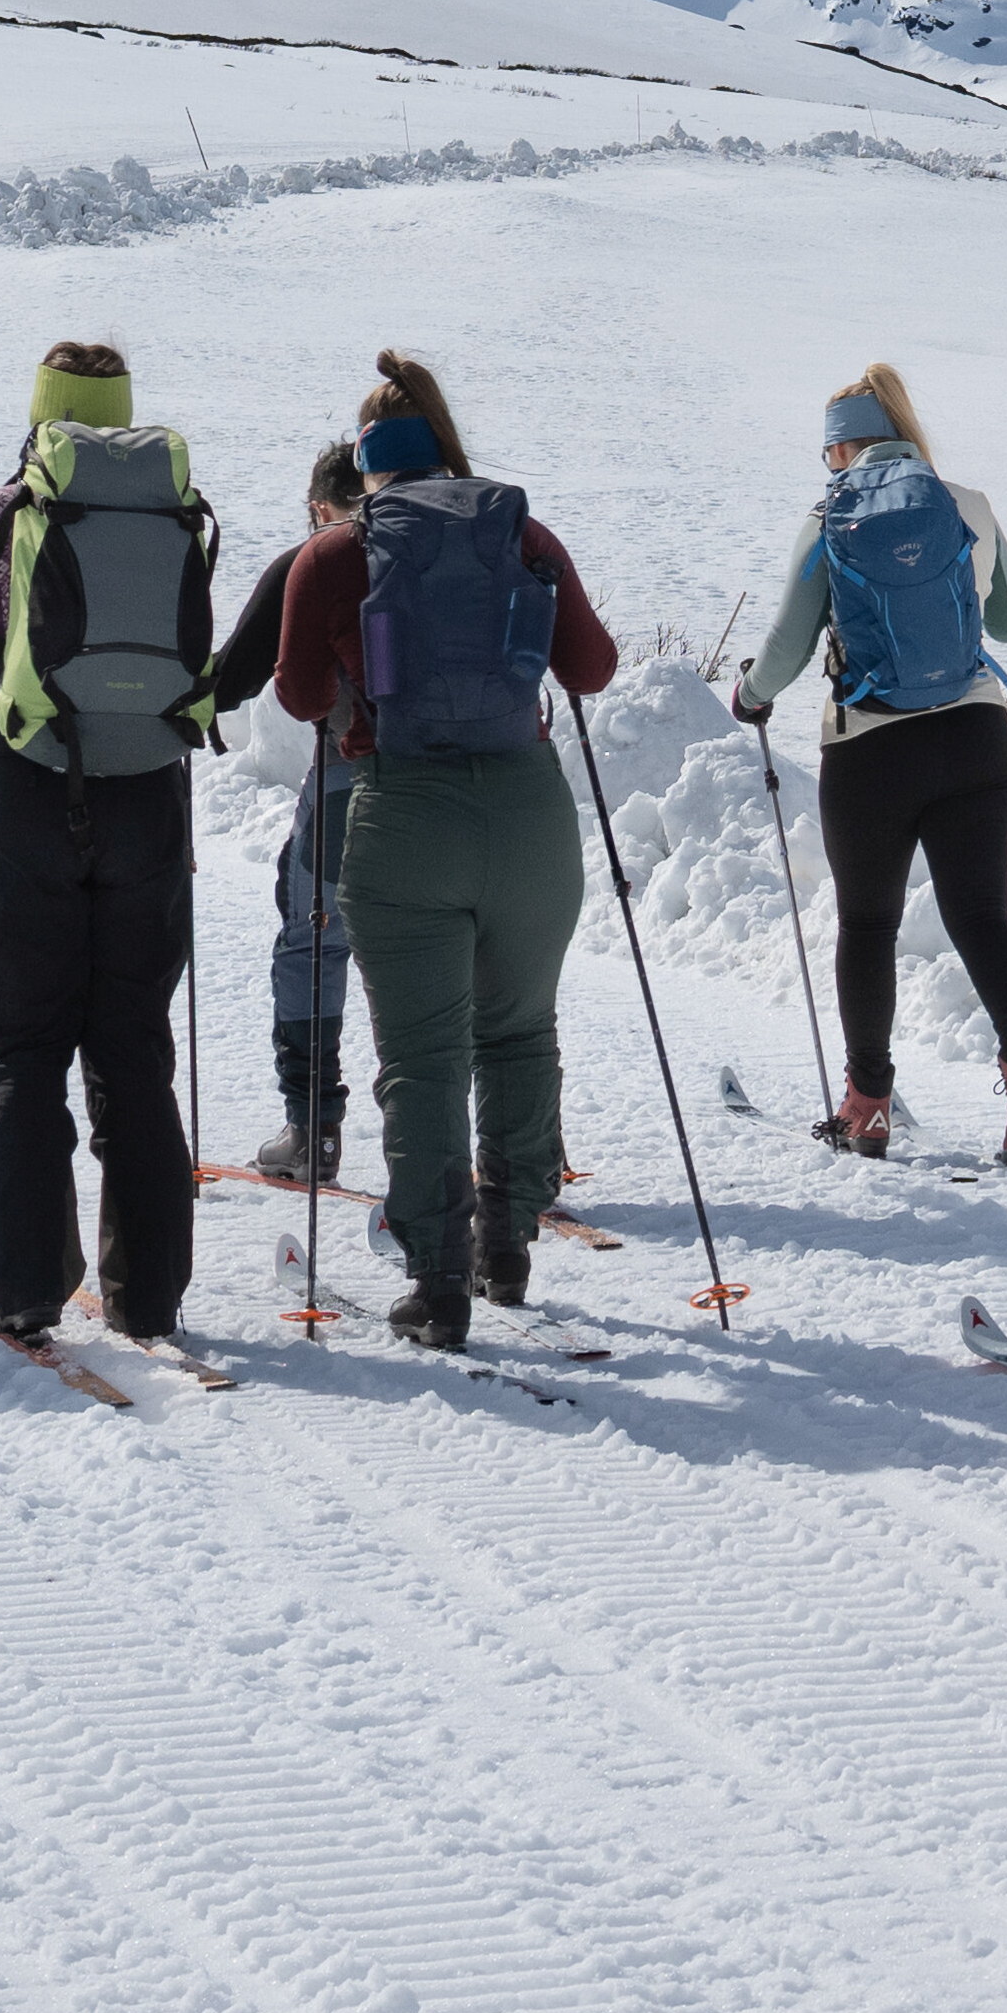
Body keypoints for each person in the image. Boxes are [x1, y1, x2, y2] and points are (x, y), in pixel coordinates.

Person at [251, 349, 613, 1350]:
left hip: (404, 810)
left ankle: (438, 1278)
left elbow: (298, 697)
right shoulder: (522, 531)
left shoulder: (335, 554)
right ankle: (509, 1240)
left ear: (364, 460)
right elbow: (593, 664)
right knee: (519, 1028)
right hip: (530, 813)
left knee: (421, 1056)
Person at [0, 340, 225, 1351]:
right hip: (148, 799)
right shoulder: (174, 509)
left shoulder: (0, 512)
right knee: (134, 1051)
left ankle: (31, 1283)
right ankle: (150, 1294)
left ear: (39, 410)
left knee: (27, 1046)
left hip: (31, 788)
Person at [729, 364, 1007, 1171]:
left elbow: (785, 650)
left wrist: (749, 694)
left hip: (872, 748)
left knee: (869, 923)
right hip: (980, 739)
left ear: (841, 446)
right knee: (981, 916)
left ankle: (866, 1106)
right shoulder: (964, 505)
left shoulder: (826, 517)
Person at [199, 440, 375, 1199]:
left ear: (317, 508)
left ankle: (314, 1130)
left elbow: (236, 676)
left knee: (311, 938)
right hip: (480, 782)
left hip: (352, 779)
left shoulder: (314, 562)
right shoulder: (446, 549)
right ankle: (512, 1144)